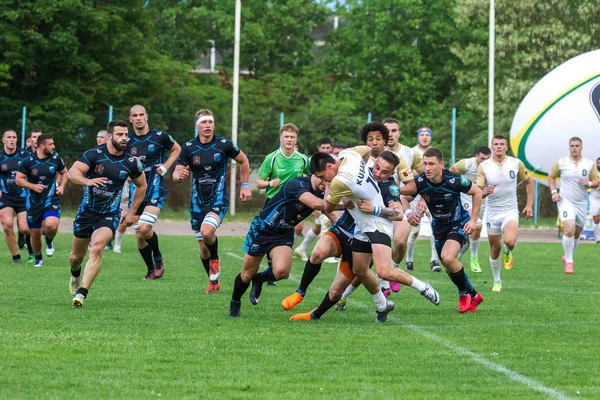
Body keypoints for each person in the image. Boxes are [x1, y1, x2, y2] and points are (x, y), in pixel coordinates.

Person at [290, 142, 440, 321]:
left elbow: (399, 214)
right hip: (361, 229)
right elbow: (367, 150)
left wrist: (375, 209)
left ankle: (423, 287)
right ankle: (382, 305)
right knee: (360, 270)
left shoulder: (388, 186)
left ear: (391, 174)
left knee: (384, 271)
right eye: (377, 167)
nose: (378, 173)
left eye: (385, 172)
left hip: (378, 226)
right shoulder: (353, 160)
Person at [228, 154, 332, 318]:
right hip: (263, 229)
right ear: (315, 174)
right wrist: (341, 203)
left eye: (330, 183)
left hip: (283, 233)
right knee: (247, 273)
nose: (326, 185)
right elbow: (317, 204)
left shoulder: (322, 193)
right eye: (324, 181)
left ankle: (260, 279)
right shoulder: (297, 184)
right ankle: (235, 302)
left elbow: (331, 213)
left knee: (282, 272)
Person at [68, 120, 147, 308]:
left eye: (126, 135)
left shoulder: (131, 163)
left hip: (109, 215)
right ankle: (75, 274)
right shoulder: (94, 155)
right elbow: (72, 173)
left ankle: (82, 293)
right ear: (110, 136)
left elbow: (142, 185)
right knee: (75, 257)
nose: (124, 138)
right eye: (120, 135)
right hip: (86, 213)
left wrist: (131, 212)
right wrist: (87, 181)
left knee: (96, 248)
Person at [173, 109, 252, 294]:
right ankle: (213, 280)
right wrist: (179, 175)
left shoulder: (224, 144)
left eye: (210, 122)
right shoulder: (189, 147)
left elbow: (244, 161)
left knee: (207, 232)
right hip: (197, 203)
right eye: (204, 122)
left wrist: (246, 185)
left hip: (218, 199)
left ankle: (215, 260)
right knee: (203, 247)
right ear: (197, 126)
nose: (208, 125)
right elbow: (177, 172)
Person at [403, 147, 484, 313]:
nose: (427, 168)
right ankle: (474, 295)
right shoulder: (420, 182)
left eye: (431, 164)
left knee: (448, 257)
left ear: (441, 164)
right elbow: (404, 197)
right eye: (425, 164)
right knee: (449, 266)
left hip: (458, 223)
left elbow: (477, 192)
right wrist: (408, 212)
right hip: (438, 227)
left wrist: (473, 220)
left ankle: (463, 294)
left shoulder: (454, 180)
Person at [125, 105, 181, 280]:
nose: (139, 118)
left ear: (147, 117)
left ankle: (157, 256)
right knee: (140, 237)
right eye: (135, 115)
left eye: (142, 114)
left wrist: (166, 166)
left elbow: (177, 149)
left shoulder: (159, 136)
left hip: (156, 189)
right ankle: (151, 270)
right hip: (137, 193)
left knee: (144, 227)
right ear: (131, 119)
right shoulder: (127, 141)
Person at [476, 135, 533, 292]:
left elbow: (529, 182)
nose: (499, 146)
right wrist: (486, 192)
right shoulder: (484, 166)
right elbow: (477, 193)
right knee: (495, 248)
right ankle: (497, 280)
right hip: (492, 213)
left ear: (506, 147)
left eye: (502, 144)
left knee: (509, 241)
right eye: (496, 144)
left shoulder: (516, 163)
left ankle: (508, 252)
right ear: (492, 147)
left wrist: (529, 205)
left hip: (510, 211)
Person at [257, 123, 310, 285]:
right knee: (269, 234)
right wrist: (269, 183)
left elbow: (309, 179)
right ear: (281, 138)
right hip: (273, 203)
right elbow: (259, 182)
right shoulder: (272, 158)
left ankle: (281, 262)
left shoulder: (302, 159)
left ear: (296, 139)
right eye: (286, 137)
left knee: (293, 230)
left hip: (294, 204)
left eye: (292, 137)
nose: (289, 139)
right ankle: (272, 265)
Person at [547, 137, 599, 274]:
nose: (574, 148)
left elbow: (596, 181)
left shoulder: (588, 164)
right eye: (572, 146)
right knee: (569, 229)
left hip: (581, 202)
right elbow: (551, 176)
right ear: (569, 147)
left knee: (576, 234)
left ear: (581, 147)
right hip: (565, 200)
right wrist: (554, 192)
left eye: (577, 145)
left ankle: (567, 256)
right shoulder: (561, 162)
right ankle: (569, 261)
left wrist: (588, 183)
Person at [16, 134, 67, 267]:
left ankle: (49, 240)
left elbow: (64, 173)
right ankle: (38, 257)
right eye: (51, 144)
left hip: (51, 200)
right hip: (33, 203)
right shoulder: (28, 161)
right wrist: (33, 186)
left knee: (51, 224)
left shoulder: (55, 158)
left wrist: (61, 186)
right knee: (35, 233)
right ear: (42, 146)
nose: (53, 146)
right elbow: (19, 179)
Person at [404, 126, 442, 274]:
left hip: (432, 192)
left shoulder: (435, 152)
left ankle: (434, 260)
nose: (425, 137)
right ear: (418, 137)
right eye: (422, 135)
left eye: (427, 135)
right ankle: (409, 260)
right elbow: (407, 172)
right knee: (414, 228)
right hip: (416, 193)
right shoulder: (412, 152)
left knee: (435, 225)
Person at [450, 146, 492, 273]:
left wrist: (488, 192)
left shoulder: (492, 167)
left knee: (470, 234)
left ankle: (456, 257)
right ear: (476, 156)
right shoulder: (466, 164)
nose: (484, 162)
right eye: (482, 158)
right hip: (465, 200)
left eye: (487, 159)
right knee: (477, 225)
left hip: (481, 201)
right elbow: (449, 174)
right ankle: (474, 258)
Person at [294, 137, 336, 261]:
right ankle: (327, 255)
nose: (326, 150)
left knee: (317, 226)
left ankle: (301, 248)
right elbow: (308, 183)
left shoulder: (333, 161)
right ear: (319, 148)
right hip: (313, 199)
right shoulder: (311, 162)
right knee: (325, 221)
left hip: (327, 198)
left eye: (328, 147)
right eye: (323, 148)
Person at [0, 130, 31, 263]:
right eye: (9, 137)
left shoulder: (25, 155)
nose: (12, 140)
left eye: (14, 137)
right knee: (7, 226)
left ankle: (33, 250)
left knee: (24, 228)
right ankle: (16, 257)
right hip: (5, 196)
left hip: (23, 196)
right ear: (3, 140)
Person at [591, 157, 600, 244]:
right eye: (598, 163)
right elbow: (590, 184)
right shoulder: (593, 174)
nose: (599, 164)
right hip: (595, 199)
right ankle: (598, 239)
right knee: (596, 220)